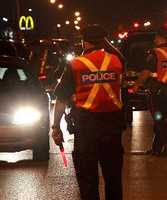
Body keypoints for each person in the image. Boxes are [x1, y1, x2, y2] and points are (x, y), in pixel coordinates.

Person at [51, 24, 126, 200]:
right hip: (113, 126)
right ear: (103, 41)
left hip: (87, 128)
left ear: (84, 41)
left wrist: (56, 127)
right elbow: (122, 57)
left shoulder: (76, 64)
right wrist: (105, 43)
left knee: (87, 178)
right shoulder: (116, 61)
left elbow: (61, 99)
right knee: (113, 177)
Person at [132, 27, 167, 157]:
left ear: (158, 39)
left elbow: (146, 71)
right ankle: (156, 147)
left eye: (155, 39)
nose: (154, 41)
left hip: (157, 90)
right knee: (160, 119)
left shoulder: (155, 53)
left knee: (159, 121)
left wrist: (137, 83)